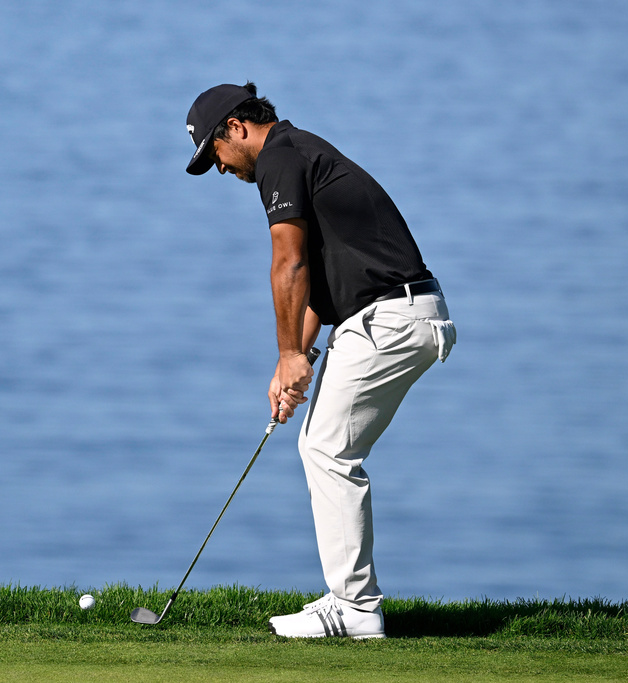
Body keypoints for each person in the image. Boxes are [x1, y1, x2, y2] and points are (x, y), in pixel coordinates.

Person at [184, 82, 456, 639]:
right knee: (323, 445)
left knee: (328, 449)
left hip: (391, 318)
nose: (218, 168)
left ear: (235, 128)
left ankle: (355, 608)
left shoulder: (279, 158)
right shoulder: (298, 151)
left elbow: (287, 263)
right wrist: (296, 356)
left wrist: (288, 354)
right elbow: (317, 284)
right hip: (392, 315)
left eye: (213, 151)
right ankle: (350, 601)